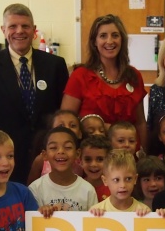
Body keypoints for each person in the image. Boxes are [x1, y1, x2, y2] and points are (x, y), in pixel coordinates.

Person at [0, 3, 69, 184]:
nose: (19, 31)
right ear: (3, 30)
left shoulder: (55, 65)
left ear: (34, 30)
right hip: (4, 158)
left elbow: (62, 112)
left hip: (47, 156)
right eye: (13, 26)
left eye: (25, 26)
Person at [61, 14, 147, 150]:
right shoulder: (80, 76)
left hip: (128, 157)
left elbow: (140, 123)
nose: (109, 41)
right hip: (92, 158)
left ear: (122, 40)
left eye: (115, 35)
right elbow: (66, 122)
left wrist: (145, 155)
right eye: (103, 36)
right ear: (94, 42)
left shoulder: (134, 75)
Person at [29, 126, 97, 217]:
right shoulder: (35, 189)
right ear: (45, 155)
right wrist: (40, 212)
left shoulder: (88, 190)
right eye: (53, 147)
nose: (61, 151)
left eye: (68, 147)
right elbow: (33, 222)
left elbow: (93, 223)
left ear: (77, 154)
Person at [26, 110, 83, 185]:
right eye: (61, 126)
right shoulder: (41, 160)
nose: (67, 129)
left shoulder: (83, 159)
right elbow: (30, 188)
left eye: (72, 125)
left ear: (80, 133)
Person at [89, 150, 151, 216]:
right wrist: (94, 217)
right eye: (116, 180)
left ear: (135, 179)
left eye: (128, 179)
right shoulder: (96, 211)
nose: (123, 185)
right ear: (105, 180)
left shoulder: (144, 211)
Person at [80, 135, 112, 202]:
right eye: (88, 159)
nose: (93, 164)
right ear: (80, 162)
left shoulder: (114, 188)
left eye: (100, 159)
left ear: (110, 161)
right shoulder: (77, 187)